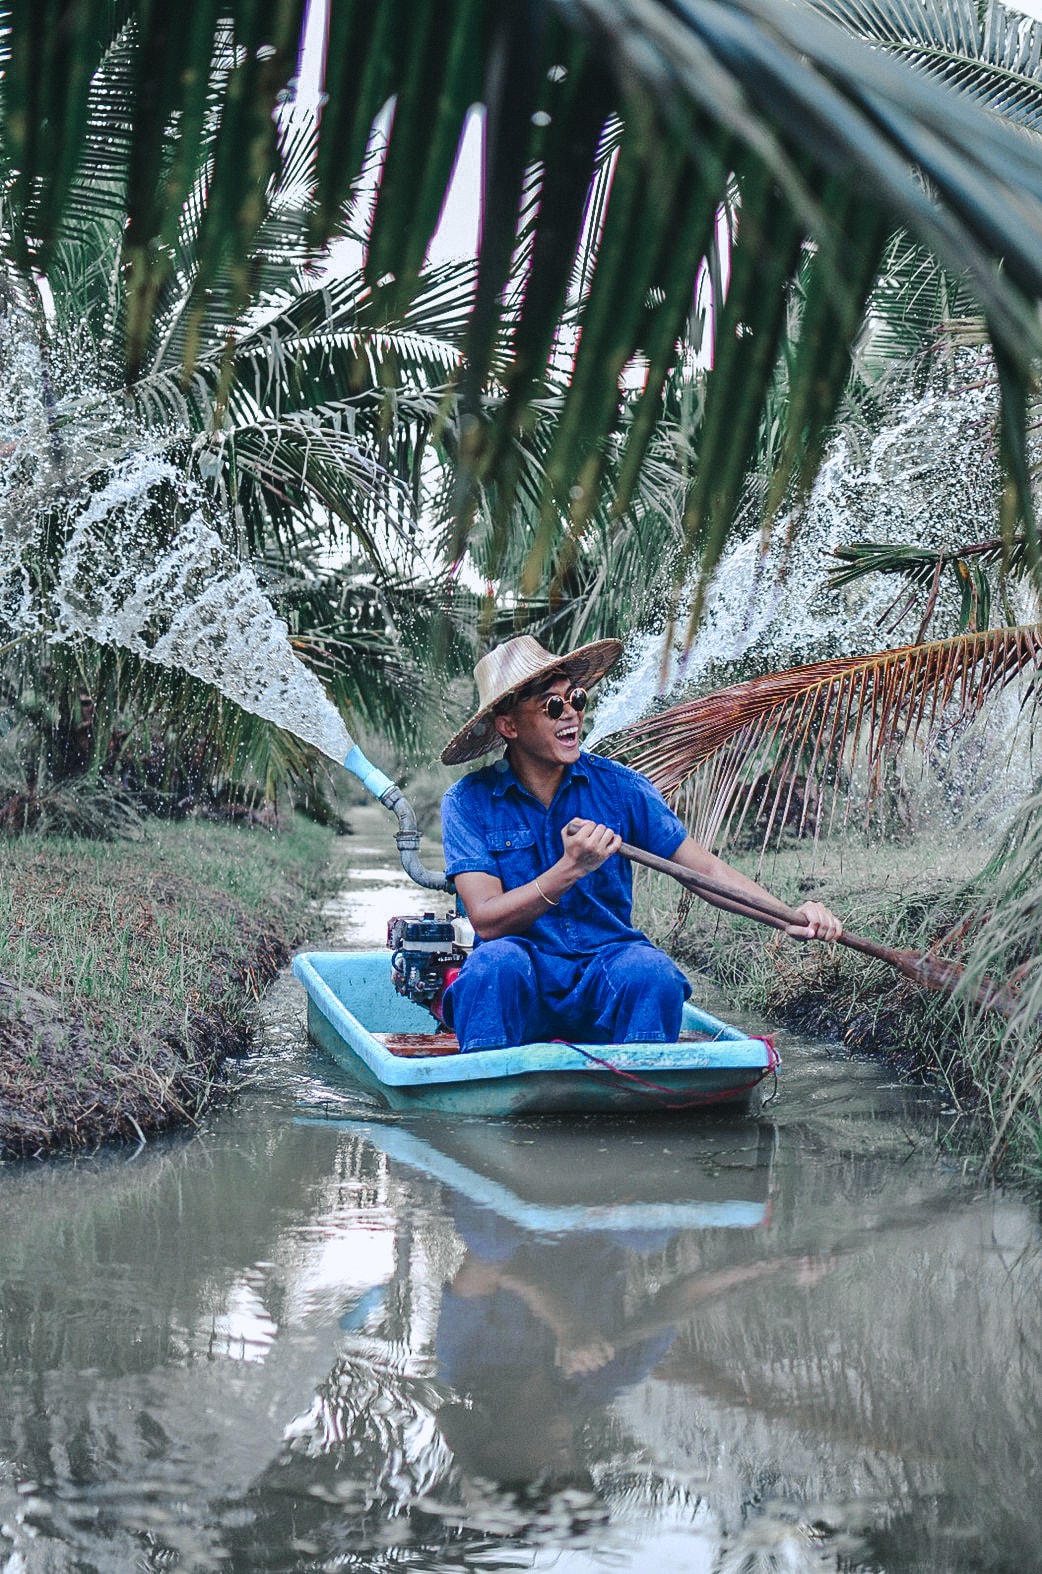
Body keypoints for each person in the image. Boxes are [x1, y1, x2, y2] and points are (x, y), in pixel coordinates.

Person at [439, 635, 842, 1053]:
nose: (572, 715)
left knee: (652, 975)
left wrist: (788, 917)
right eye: (553, 706)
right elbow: (486, 920)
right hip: (521, 977)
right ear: (509, 726)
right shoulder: (468, 803)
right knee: (493, 966)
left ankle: (641, 1087)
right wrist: (569, 869)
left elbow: (703, 871)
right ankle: (489, 1097)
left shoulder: (621, 789)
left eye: (576, 699)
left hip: (604, 969)